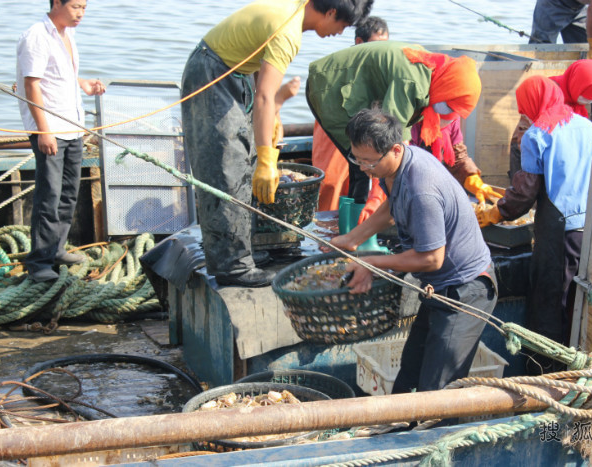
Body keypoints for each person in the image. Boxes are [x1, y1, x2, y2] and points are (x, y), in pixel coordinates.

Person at [181, 0, 372, 288]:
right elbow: (264, 97)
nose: (340, 32)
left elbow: (259, 71)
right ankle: (232, 267)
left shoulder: (293, 8)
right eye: (343, 25)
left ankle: (249, 247)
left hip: (235, 72)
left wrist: (271, 121)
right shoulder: (288, 31)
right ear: (331, 12)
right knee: (227, 167)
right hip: (213, 74)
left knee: (245, 161)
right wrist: (268, 159)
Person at [329, 107, 498, 393]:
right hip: (438, 288)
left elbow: (432, 258)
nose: (362, 168)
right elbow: (393, 205)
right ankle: (401, 430)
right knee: (408, 378)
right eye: (357, 159)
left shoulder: (422, 188)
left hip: (466, 290)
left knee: (438, 392)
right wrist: (352, 239)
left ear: (396, 149)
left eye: (369, 162)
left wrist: (371, 264)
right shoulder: (398, 166)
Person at [477, 76, 592, 373]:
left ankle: (544, 371)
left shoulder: (537, 135)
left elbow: (525, 192)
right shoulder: (588, 126)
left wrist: (496, 213)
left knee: (549, 301)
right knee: (575, 297)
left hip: (559, 230)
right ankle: (577, 364)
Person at [306, 40, 496, 207]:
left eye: (456, 112)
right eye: (451, 107)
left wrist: (470, 176)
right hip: (333, 89)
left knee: (377, 165)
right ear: (447, 87)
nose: (450, 115)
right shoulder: (412, 83)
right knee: (363, 161)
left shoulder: (436, 98)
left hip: (364, 95)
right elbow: (388, 142)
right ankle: (360, 227)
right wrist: (377, 195)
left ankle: (368, 220)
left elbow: (454, 148)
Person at [16, 0, 105, 283]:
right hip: (51, 128)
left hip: (73, 126)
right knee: (49, 195)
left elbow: (60, 76)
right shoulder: (37, 36)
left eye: (84, 8)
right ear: (57, 3)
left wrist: (84, 84)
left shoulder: (67, 34)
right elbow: (32, 84)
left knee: (68, 193)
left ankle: (56, 250)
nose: (81, 13)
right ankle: (39, 261)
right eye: (76, 6)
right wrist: (43, 131)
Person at [312, 15, 390, 213]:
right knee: (330, 180)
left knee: (362, 177)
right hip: (334, 122)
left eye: (384, 45)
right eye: (375, 45)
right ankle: (325, 224)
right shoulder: (343, 64)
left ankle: (356, 221)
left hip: (364, 128)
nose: (380, 51)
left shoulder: (382, 66)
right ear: (359, 42)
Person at [508, 59, 592, 181]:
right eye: (584, 97)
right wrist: (521, 182)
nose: (587, 101)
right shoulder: (547, 91)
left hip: (582, 161)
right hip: (547, 158)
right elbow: (522, 138)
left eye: (590, 99)